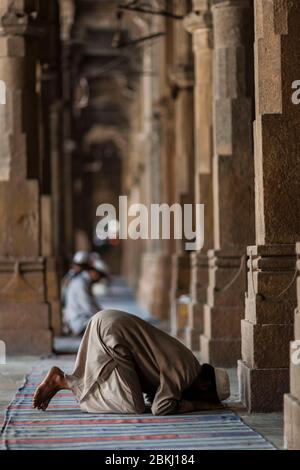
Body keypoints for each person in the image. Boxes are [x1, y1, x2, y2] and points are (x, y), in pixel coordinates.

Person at [33, 309, 230, 415]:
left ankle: (63, 380)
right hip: (114, 333)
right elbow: (161, 409)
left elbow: (156, 396)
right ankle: (62, 381)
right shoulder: (187, 373)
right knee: (133, 406)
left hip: (108, 322)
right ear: (205, 385)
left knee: (113, 382)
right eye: (206, 397)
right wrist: (197, 406)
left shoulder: (189, 362)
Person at [63, 260, 107, 336]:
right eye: (99, 275)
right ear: (93, 272)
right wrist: (105, 317)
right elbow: (88, 307)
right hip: (80, 322)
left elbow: (93, 304)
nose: (98, 279)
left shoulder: (85, 282)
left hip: (84, 318)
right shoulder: (80, 283)